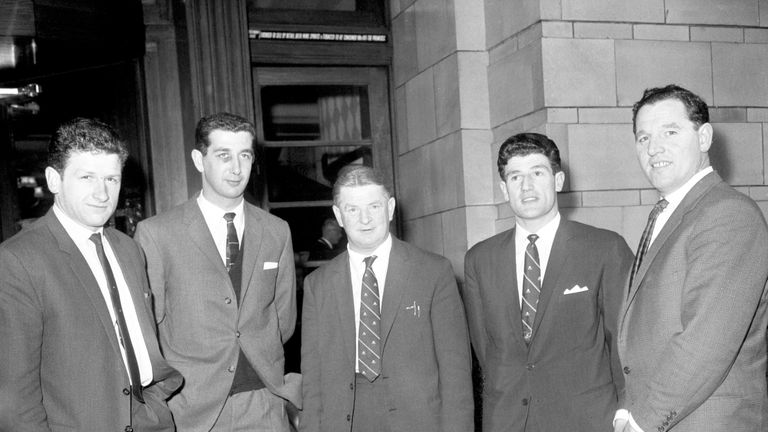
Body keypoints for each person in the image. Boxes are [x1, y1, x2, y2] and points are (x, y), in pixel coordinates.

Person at [0, 118, 182, 431]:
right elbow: (15, 399)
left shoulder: (129, 249)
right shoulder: (18, 260)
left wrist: (154, 404)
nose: (102, 193)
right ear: (54, 180)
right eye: (87, 177)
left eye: (112, 179)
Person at [614, 84, 768, 432]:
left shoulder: (728, 214)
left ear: (704, 137)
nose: (654, 148)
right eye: (643, 138)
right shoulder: (668, 214)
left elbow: (704, 343)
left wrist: (642, 421)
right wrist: (626, 409)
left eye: (670, 131)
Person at [135, 112, 300, 432]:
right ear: (199, 159)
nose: (236, 168)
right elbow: (148, 328)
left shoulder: (276, 231)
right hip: (192, 410)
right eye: (224, 155)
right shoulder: (157, 234)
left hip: (264, 403)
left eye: (245, 155)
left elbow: (283, 319)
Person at [463, 132, 633, 431]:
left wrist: (626, 409)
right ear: (504, 189)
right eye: (515, 177)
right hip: (508, 420)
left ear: (558, 181)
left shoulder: (604, 248)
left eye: (537, 173)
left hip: (587, 419)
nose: (526, 186)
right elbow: (486, 350)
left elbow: (624, 340)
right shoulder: (480, 259)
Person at [300, 164, 474, 432]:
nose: (365, 219)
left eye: (374, 206)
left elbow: (456, 372)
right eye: (352, 209)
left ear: (390, 208)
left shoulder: (433, 272)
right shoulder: (318, 285)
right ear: (338, 215)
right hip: (345, 421)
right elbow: (313, 380)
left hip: (417, 421)